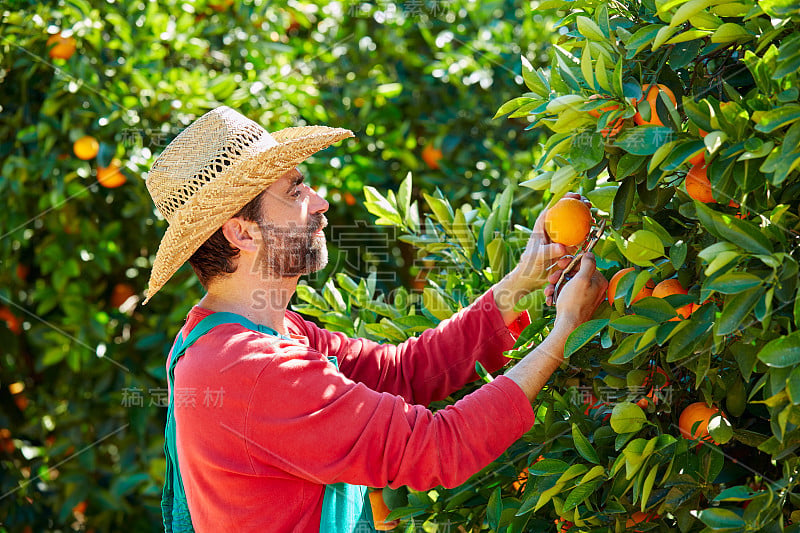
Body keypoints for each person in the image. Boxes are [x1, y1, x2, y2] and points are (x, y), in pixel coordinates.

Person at [143, 106, 608, 532]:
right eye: (296, 190)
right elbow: (438, 447)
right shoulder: (252, 368)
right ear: (242, 232)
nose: (320, 203)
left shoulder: (258, 336)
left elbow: (403, 371)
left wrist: (522, 281)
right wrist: (563, 333)